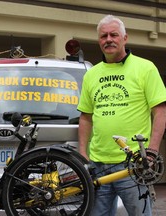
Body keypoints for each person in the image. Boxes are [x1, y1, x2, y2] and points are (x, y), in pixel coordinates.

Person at [77, 14, 166, 216]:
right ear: (99, 40)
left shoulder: (145, 68)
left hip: (134, 166)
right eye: (103, 36)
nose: (108, 39)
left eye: (114, 35)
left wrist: (151, 151)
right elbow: (85, 116)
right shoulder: (91, 74)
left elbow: (160, 111)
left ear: (124, 38)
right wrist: (83, 153)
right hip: (97, 164)